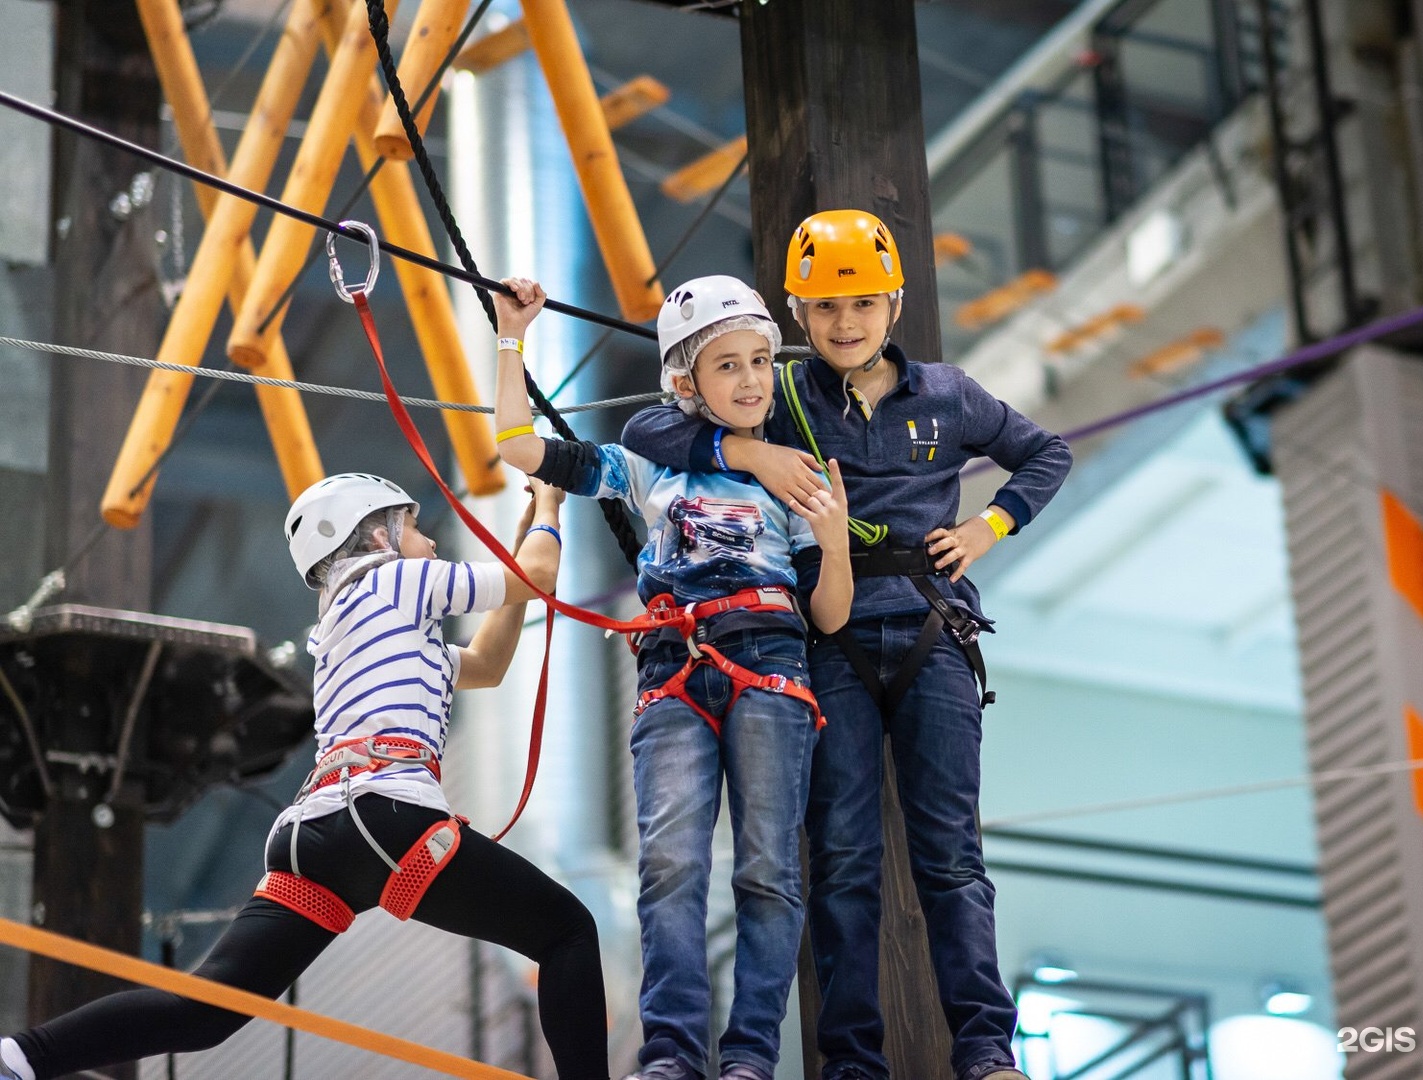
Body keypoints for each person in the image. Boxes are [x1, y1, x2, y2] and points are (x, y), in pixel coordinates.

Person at [619, 210, 1073, 1080]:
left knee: (951, 854)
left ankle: (985, 1047)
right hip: (830, 640)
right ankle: (851, 1059)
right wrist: (745, 455)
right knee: (844, 858)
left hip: (935, 629)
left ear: (894, 302)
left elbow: (1043, 453)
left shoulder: (947, 393)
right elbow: (650, 434)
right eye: (824, 308)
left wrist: (988, 527)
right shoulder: (780, 394)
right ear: (796, 313)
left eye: (862, 303)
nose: (844, 323)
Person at [0, 473, 611, 1080]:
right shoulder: (395, 579)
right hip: (382, 813)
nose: (430, 543)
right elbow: (539, 578)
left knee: (208, 1008)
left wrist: (526, 532)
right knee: (568, 932)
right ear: (379, 537)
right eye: (418, 528)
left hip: (313, 835)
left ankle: (21, 1058)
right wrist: (552, 505)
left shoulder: (360, 627)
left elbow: (487, 664)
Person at [490, 275, 853, 1080]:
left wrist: (833, 543)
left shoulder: (791, 475)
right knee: (671, 865)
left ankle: (752, 1055)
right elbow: (516, 445)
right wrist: (511, 337)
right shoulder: (649, 464)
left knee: (767, 869)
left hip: (771, 666)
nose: (754, 379)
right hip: (677, 668)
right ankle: (675, 1055)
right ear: (686, 382)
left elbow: (829, 616)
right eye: (729, 367)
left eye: (761, 360)